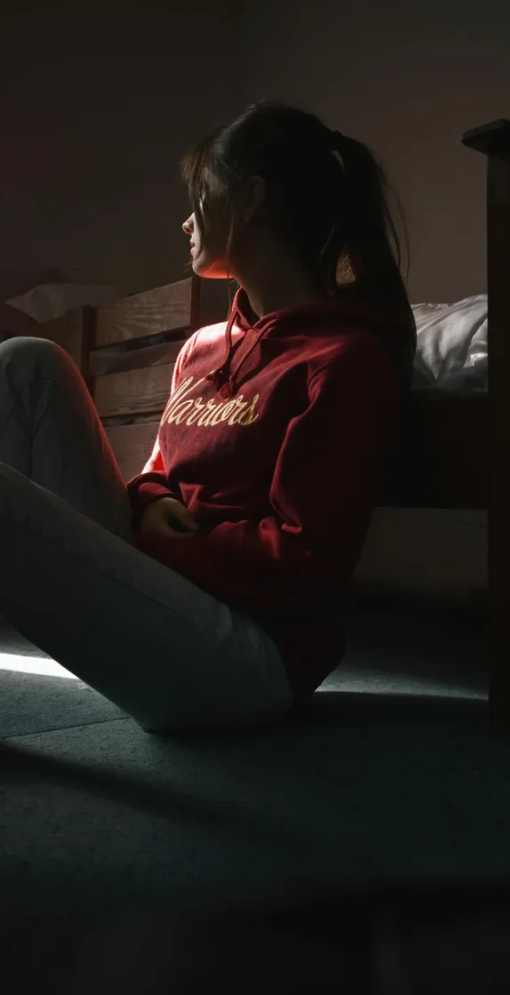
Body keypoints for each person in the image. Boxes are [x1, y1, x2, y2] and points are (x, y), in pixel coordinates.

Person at [0, 101, 416, 732]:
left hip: (247, 656)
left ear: (251, 199)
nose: (186, 220)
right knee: (26, 362)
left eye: (201, 196)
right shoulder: (202, 348)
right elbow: (156, 473)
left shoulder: (342, 361)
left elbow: (303, 561)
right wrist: (150, 501)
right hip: (164, 588)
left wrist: (162, 548)